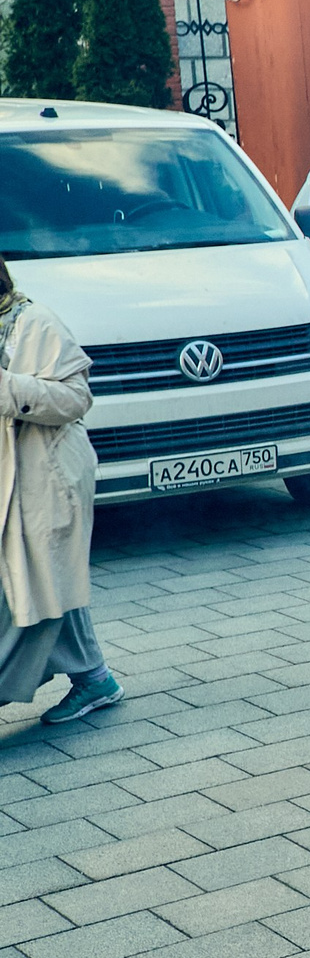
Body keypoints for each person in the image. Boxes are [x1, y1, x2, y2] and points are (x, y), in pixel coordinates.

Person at [0, 261, 116, 726]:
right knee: (47, 580)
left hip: (46, 478)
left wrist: (7, 387)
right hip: (9, 480)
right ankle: (95, 679)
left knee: (30, 583)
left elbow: (76, 398)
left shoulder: (34, 321)